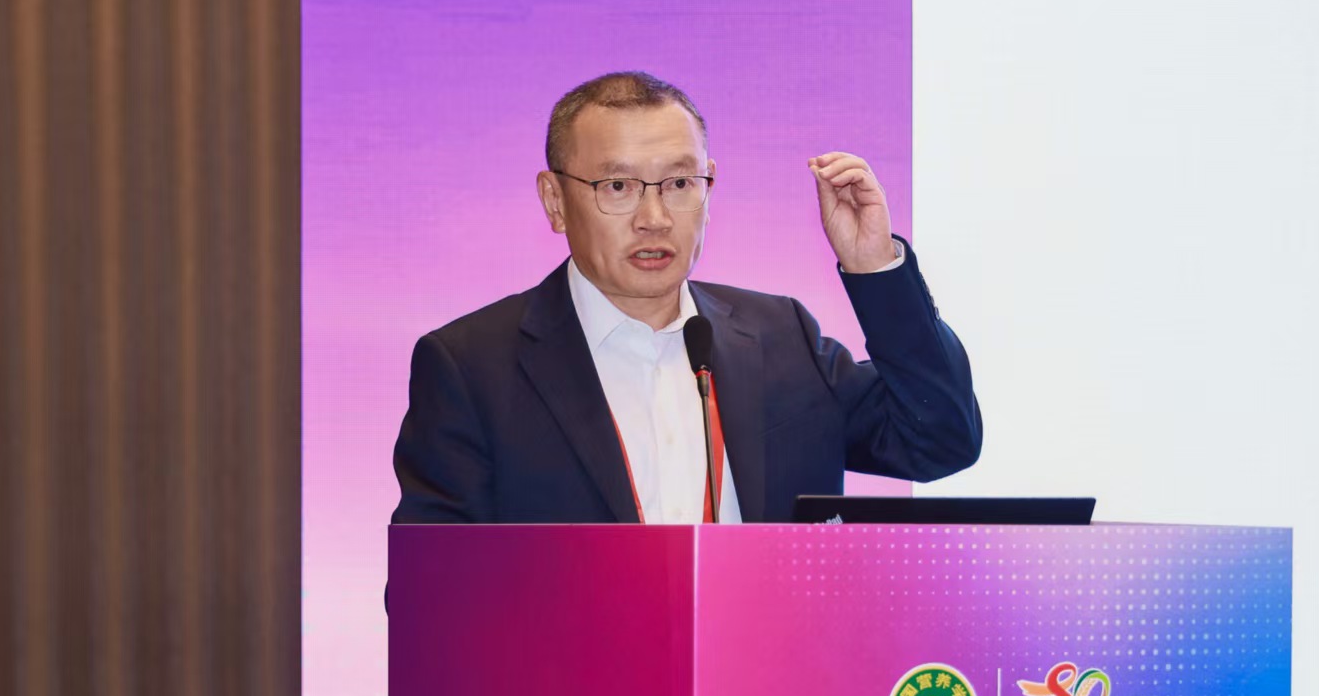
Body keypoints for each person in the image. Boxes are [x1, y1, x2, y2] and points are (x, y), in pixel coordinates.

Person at [390, 71, 981, 524]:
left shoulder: (781, 336)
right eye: (617, 186)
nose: (654, 217)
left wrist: (875, 268)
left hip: (763, 656)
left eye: (678, 183)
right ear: (554, 200)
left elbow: (939, 440)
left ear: (708, 187)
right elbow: (433, 591)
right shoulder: (473, 367)